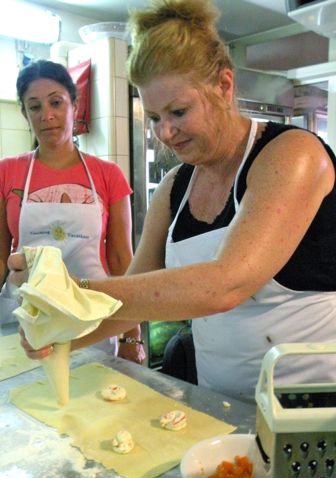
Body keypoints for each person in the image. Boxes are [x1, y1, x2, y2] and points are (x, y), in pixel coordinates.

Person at [10, 0, 336, 403]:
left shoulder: (294, 155)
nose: (165, 132)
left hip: (311, 410)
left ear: (224, 86)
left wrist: (69, 290)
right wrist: (60, 336)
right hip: (223, 404)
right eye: (153, 117)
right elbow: (130, 301)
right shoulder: (174, 188)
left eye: (178, 111)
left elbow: (226, 283)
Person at [0, 59, 144, 364]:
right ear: (25, 113)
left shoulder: (108, 174)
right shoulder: (7, 172)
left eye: (56, 102)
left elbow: (121, 260)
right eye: (35, 106)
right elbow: (1, 255)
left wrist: (132, 334)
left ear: (74, 106)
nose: (47, 115)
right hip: (27, 321)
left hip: (91, 317)